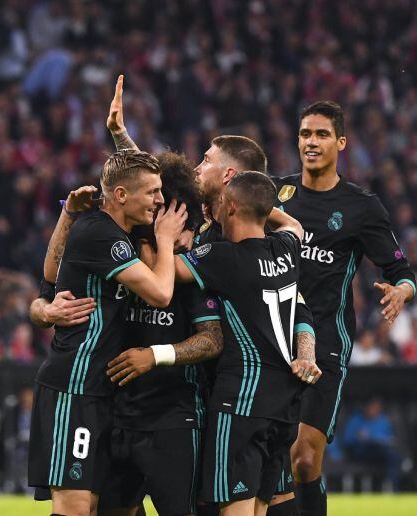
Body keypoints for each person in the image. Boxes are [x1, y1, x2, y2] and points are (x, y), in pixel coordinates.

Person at [47, 151, 225, 516]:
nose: (156, 203)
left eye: (164, 201)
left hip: (173, 418)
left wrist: (155, 355)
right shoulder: (117, 251)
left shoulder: (190, 273)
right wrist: (43, 310)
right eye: (153, 199)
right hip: (114, 411)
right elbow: (49, 284)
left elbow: (212, 338)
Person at [273, 101, 415, 516]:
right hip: (272, 338)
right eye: (304, 134)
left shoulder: (360, 207)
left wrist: (402, 292)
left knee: (303, 459)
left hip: (326, 343)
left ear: (341, 142)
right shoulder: (275, 195)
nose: (310, 142)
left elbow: (401, 270)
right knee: (272, 456)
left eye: (320, 134)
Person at [172, 171, 321, 516]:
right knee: (258, 509)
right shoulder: (286, 250)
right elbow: (293, 225)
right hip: (285, 405)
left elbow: (166, 272)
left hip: (242, 402)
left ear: (231, 206)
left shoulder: (224, 257)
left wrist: (166, 237)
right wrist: (266, 205)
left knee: (235, 510)